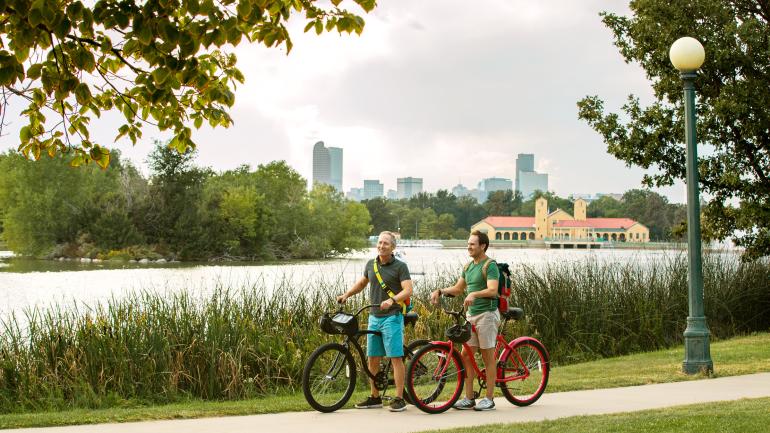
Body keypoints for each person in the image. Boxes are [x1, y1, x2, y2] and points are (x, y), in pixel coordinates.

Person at [337, 231, 413, 412]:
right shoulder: (371, 264)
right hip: (374, 317)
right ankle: (375, 397)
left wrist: (392, 300)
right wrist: (346, 294)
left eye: (385, 243)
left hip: (392, 317)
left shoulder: (400, 266)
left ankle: (399, 398)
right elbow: (362, 283)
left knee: (395, 357)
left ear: (393, 247)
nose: (381, 246)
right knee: (373, 358)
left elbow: (408, 290)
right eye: (379, 242)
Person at [430, 230, 499, 411]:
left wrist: (474, 294)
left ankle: (489, 399)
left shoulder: (490, 265)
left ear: (482, 246)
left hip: (487, 315)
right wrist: (441, 291)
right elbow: (458, 289)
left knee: (487, 356)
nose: (468, 247)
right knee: (466, 356)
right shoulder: (468, 267)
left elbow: (493, 290)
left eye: (472, 244)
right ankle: (469, 398)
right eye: (468, 244)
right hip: (471, 316)